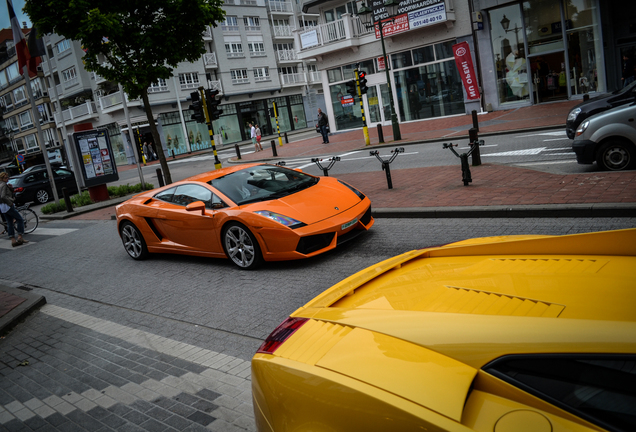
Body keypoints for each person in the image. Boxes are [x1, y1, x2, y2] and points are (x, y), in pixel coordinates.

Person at [0, 172, 28, 247]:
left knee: (9, 222)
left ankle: (13, 240)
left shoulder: (1, 185)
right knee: (19, 219)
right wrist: (11, 202)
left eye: (7, 177)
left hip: (2, 207)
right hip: (8, 205)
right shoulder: (3, 185)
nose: (7, 179)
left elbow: (5, 194)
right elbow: (3, 196)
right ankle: (20, 237)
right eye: (6, 178)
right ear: (2, 178)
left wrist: (10, 188)